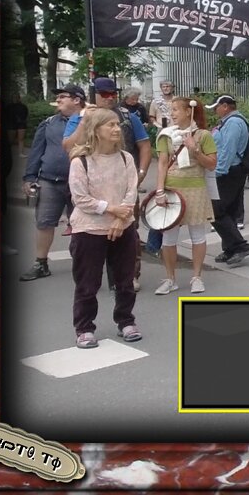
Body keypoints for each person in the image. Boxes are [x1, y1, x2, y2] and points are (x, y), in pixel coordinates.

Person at [64, 77, 153, 291]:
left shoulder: (128, 117)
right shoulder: (79, 119)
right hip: (91, 186)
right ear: (94, 95)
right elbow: (68, 146)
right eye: (105, 94)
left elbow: (145, 146)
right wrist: (85, 121)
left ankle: (127, 276)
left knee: (129, 232)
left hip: (122, 182)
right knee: (90, 242)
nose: (110, 98)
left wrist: (139, 174)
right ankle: (90, 280)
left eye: (113, 93)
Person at [66, 107, 142, 348]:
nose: (116, 129)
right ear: (95, 130)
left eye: (117, 124)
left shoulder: (125, 158)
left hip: (124, 227)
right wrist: (111, 209)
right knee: (88, 283)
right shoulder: (81, 162)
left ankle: (126, 321)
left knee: (125, 280)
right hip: (89, 230)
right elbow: (80, 198)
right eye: (110, 125)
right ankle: (85, 328)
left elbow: (132, 191)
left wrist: (121, 218)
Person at [19, 83, 86, 281]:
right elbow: (36, 152)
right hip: (50, 180)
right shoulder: (49, 123)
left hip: (81, 183)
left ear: (77, 100)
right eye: (57, 97)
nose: (58, 100)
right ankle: (41, 263)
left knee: (82, 225)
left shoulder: (91, 121)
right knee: (44, 222)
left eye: (63, 96)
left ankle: (82, 264)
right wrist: (30, 177)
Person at [152, 96, 218, 295]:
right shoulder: (166, 135)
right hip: (172, 189)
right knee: (168, 238)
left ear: (188, 111)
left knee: (197, 235)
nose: (171, 114)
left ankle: (197, 277)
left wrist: (195, 150)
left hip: (196, 188)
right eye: (170, 110)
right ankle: (170, 278)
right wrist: (159, 190)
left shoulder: (204, 135)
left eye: (175, 109)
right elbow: (163, 164)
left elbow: (212, 164)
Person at [206, 95, 249, 266]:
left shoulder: (234, 123)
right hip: (233, 170)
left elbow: (228, 149)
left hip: (229, 171)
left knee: (215, 211)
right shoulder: (230, 121)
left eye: (216, 107)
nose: (214, 110)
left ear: (226, 106)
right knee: (229, 210)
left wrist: (219, 171)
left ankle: (241, 246)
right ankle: (230, 249)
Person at [3, 91, 30, 155]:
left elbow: (26, 114)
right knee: (10, 140)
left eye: (16, 97)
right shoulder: (8, 106)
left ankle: (21, 153)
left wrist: (23, 120)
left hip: (21, 124)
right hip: (11, 124)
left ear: (19, 98)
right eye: (13, 97)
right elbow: (6, 115)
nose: (15, 99)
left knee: (21, 139)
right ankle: (8, 153)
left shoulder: (23, 106)